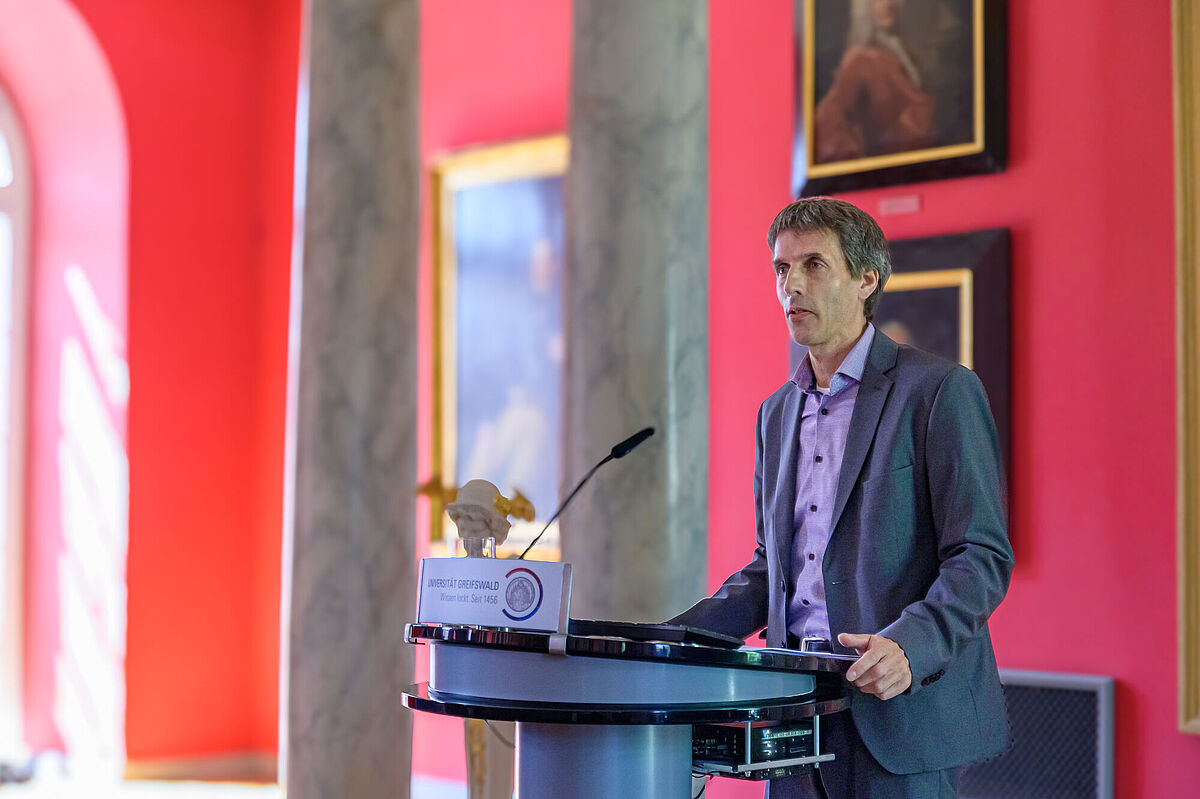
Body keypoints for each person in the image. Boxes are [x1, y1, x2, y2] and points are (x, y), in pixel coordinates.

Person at [671, 198, 1013, 798]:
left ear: (866, 279)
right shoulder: (776, 413)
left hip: (898, 712)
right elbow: (771, 568)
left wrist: (909, 647)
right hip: (793, 716)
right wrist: (672, 640)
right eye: (781, 269)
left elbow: (980, 556)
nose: (791, 286)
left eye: (813, 265)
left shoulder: (939, 392)